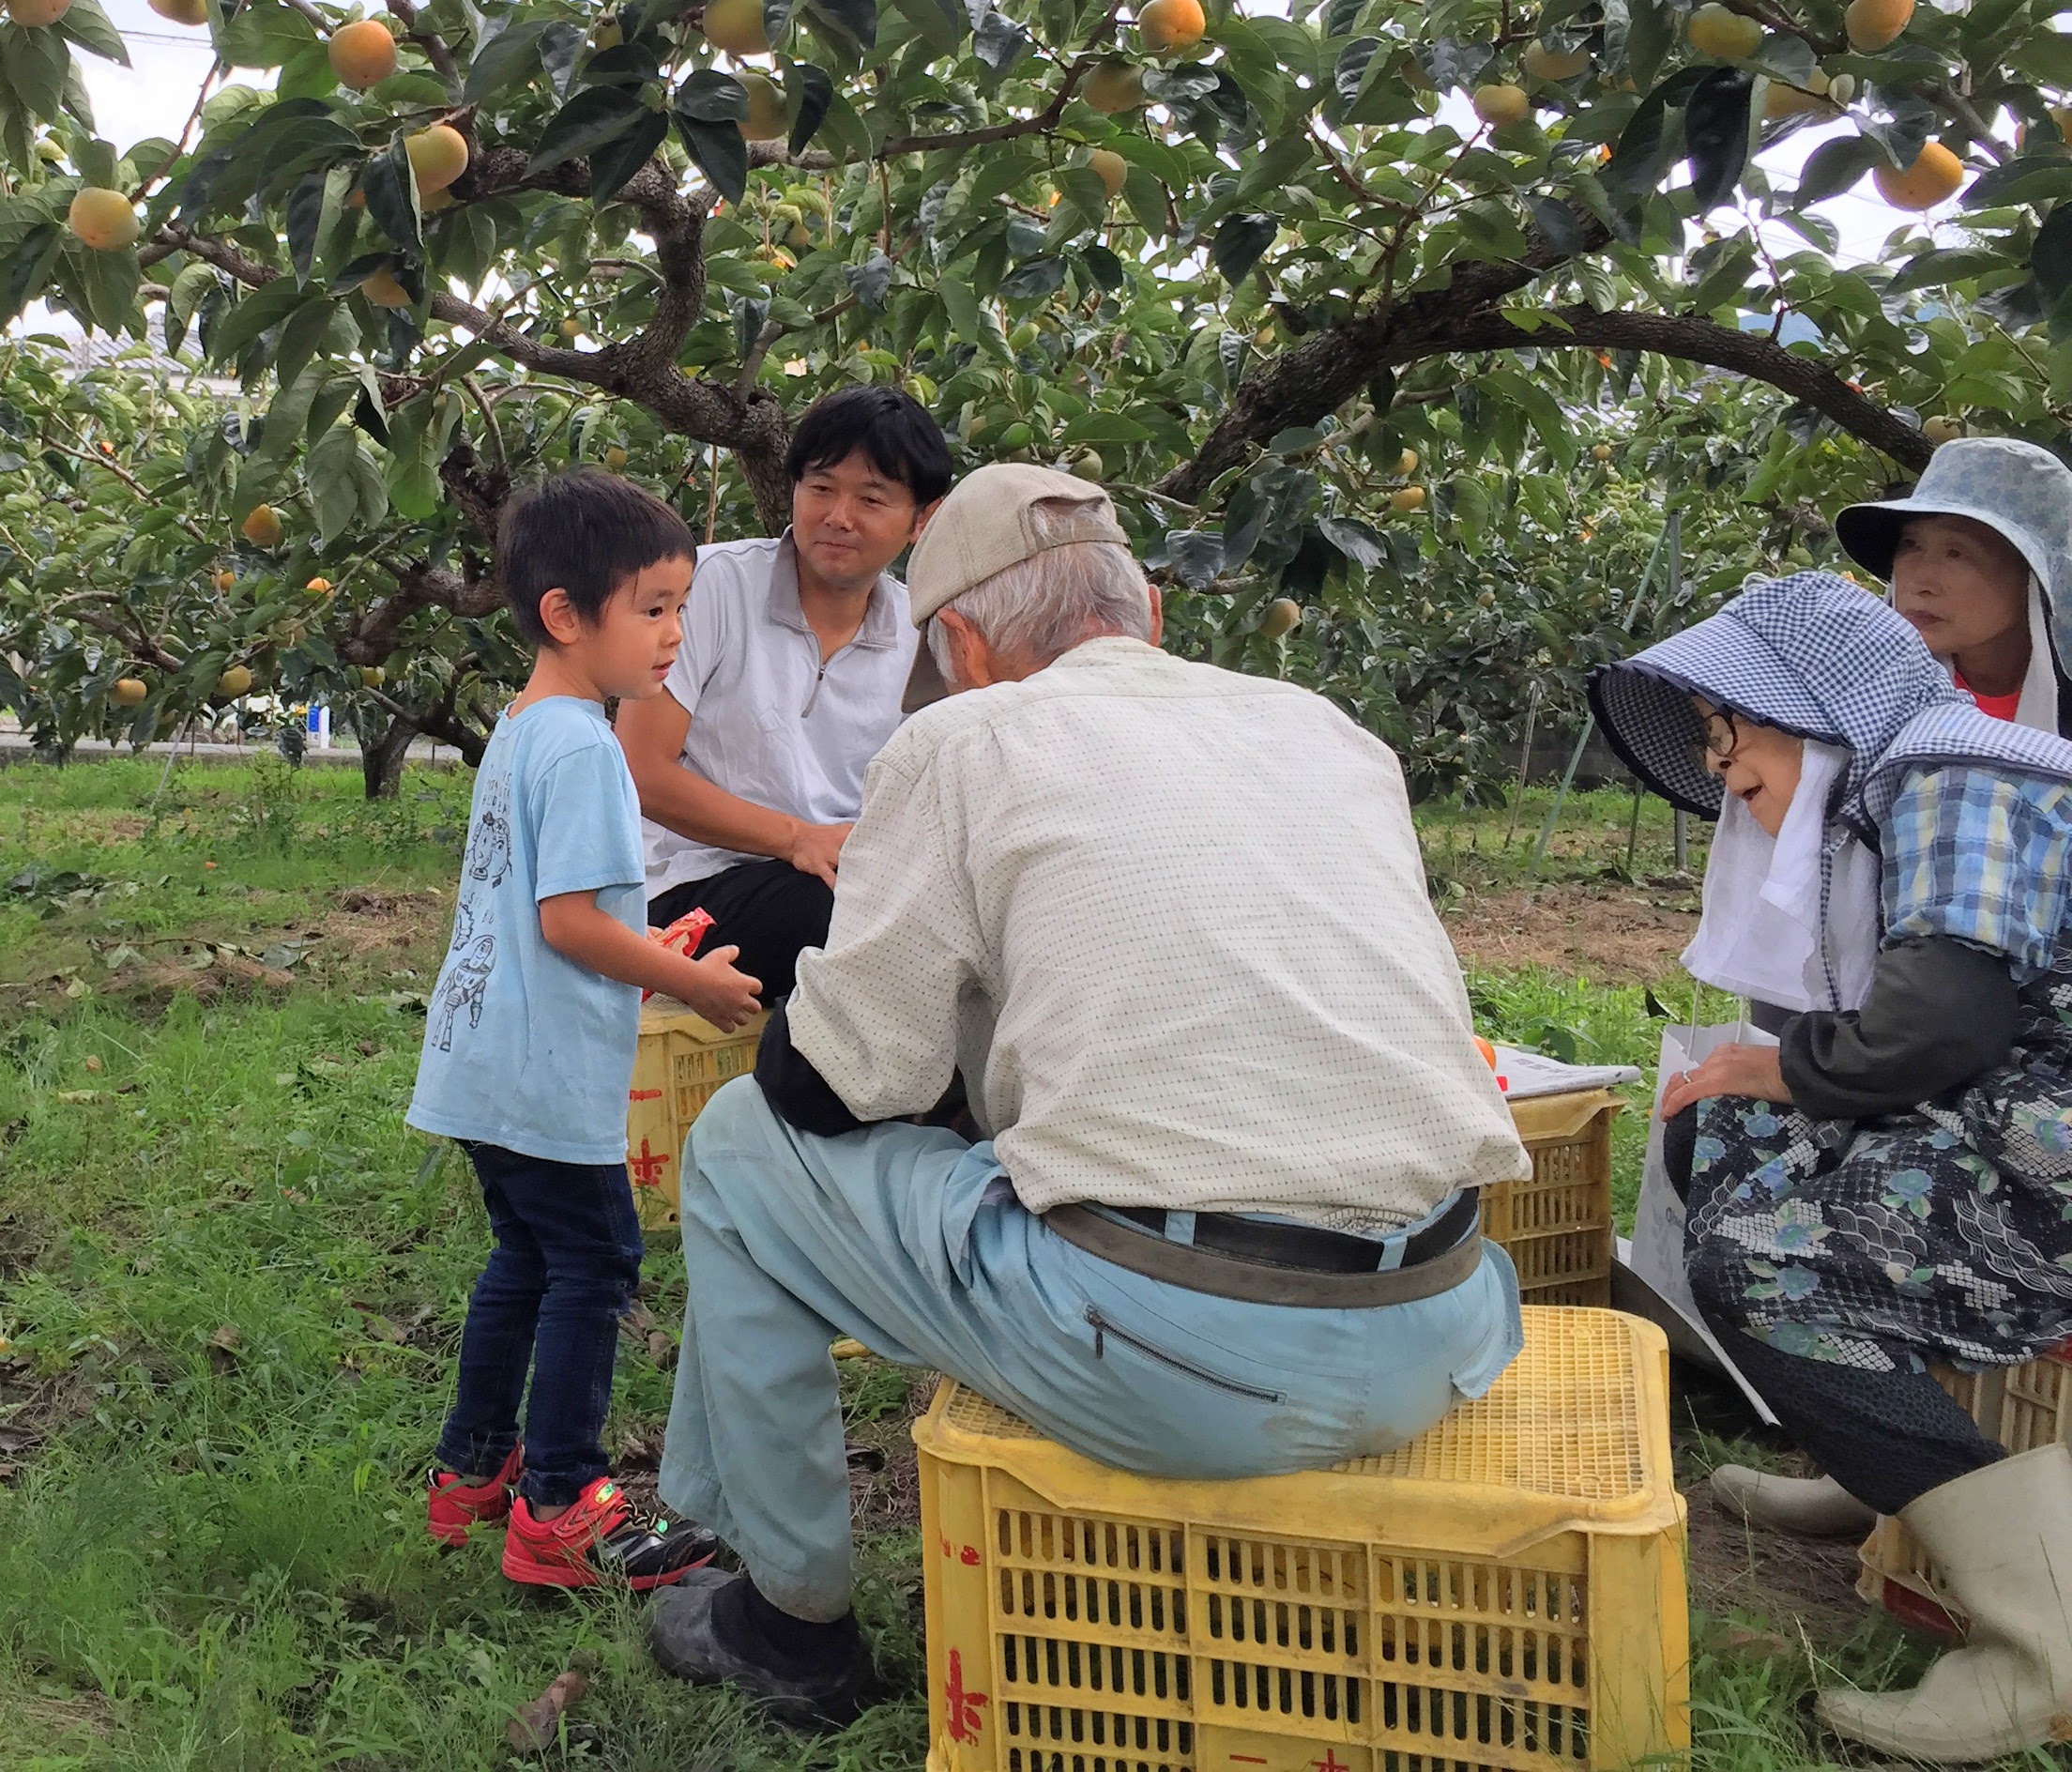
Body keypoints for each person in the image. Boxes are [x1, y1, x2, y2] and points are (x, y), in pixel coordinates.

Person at [642, 463, 1531, 1730]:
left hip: (1185, 1355)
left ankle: (788, 1626)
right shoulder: (1326, 729)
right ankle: (705, 1521)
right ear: (1149, 616)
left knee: (738, 1144)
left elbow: (844, 1080)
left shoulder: (960, 740)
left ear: (956, 642)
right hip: (1447, 1321)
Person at [1591, 572, 2072, 1764]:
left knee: (1762, 1264)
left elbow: (1935, 1028)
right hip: (2002, 1112)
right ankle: (1886, 1469)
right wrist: (1770, 1075)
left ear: (1809, 706)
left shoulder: (1954, 778)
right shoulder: (1894, 782)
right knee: (1720, 1131)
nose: (1719, 766)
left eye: (1727, 731)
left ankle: (2043, 1641)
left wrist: (1782, 1070)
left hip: (2044, 1150)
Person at [407, 471, 766, 1590]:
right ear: (569, 615)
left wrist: (659, 947)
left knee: (526, 1256)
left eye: (682, 606)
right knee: (597, 1262)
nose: (674, 634)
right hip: (548, 1081)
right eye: (652, 608)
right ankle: (562, 1501)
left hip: (483, 1066)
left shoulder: (525, 731)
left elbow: (551, 913)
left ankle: (473, 1471)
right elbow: (572, 925)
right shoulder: (590, 751)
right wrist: (689, 982)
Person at [620, 387, 952, 1003]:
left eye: (871, 498)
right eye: (821, 488)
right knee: (825, 922)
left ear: (921, 520)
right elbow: (640, 771)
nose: (838, 516)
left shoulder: (921, 636)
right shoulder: (710, 588)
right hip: (691, 886)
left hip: (847, 883)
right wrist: (799, 839)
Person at [1836, 435, 2072, 731]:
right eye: (1910, 544)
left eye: (1956, 553)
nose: (1920, 582)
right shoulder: (1857, 693)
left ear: (2032, 578)